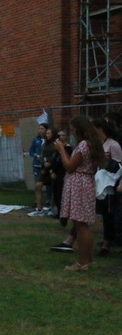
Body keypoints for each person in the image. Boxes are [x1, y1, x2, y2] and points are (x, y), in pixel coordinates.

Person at [52, 116, 105, 271]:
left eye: (74, 129)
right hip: (85, 183)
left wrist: (61, 149)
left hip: (79, 185)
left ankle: (82, 262)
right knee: (83, 224)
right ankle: (88, 260)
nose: (72, 132)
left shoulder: (83, 145)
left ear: (80, 129)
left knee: (81, 225)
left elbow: (69, 166)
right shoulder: (91, 144)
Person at [93, 119, 122, 256]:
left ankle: (109, 242)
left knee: (111, 213)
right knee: (105, 213)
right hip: (101, 182)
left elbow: (119, 166)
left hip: (111, 182)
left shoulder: (113, 145)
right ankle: (107, 240)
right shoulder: (99, 144)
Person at [28, 127, 57, 217]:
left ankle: (53, 208)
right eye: (46, 133)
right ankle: (39, 209)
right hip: (44, 168)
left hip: (53, 168)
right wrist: (43, 162)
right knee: (38, 185)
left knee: (53, 188)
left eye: (49, 133)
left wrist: (51, 164)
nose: (47, 135)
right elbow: (42, 155)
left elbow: (56, 155)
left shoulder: (55, 144)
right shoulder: (44, 144)